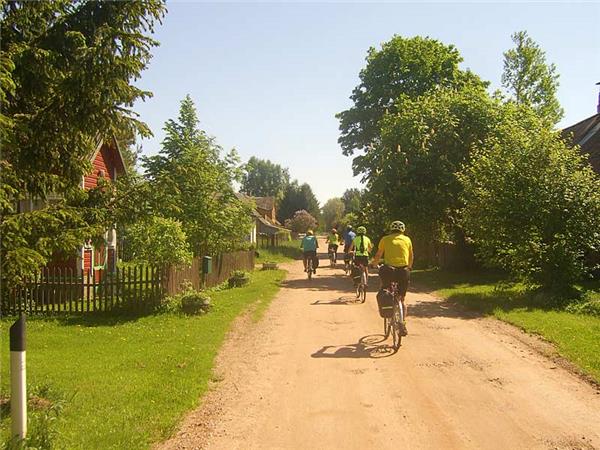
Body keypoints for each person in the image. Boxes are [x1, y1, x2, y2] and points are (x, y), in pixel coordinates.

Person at [371, 221, 413, 336]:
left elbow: (379, 254)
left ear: (391, 229)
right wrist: (409, 268)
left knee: (384, 289)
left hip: (389, 270)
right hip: (403, 271)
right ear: (402, 230)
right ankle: (402, 323)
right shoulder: (407, 240)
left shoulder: (385, 239)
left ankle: (387, 303)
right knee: (402, 299)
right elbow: (411, 255)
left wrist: (374, 264)